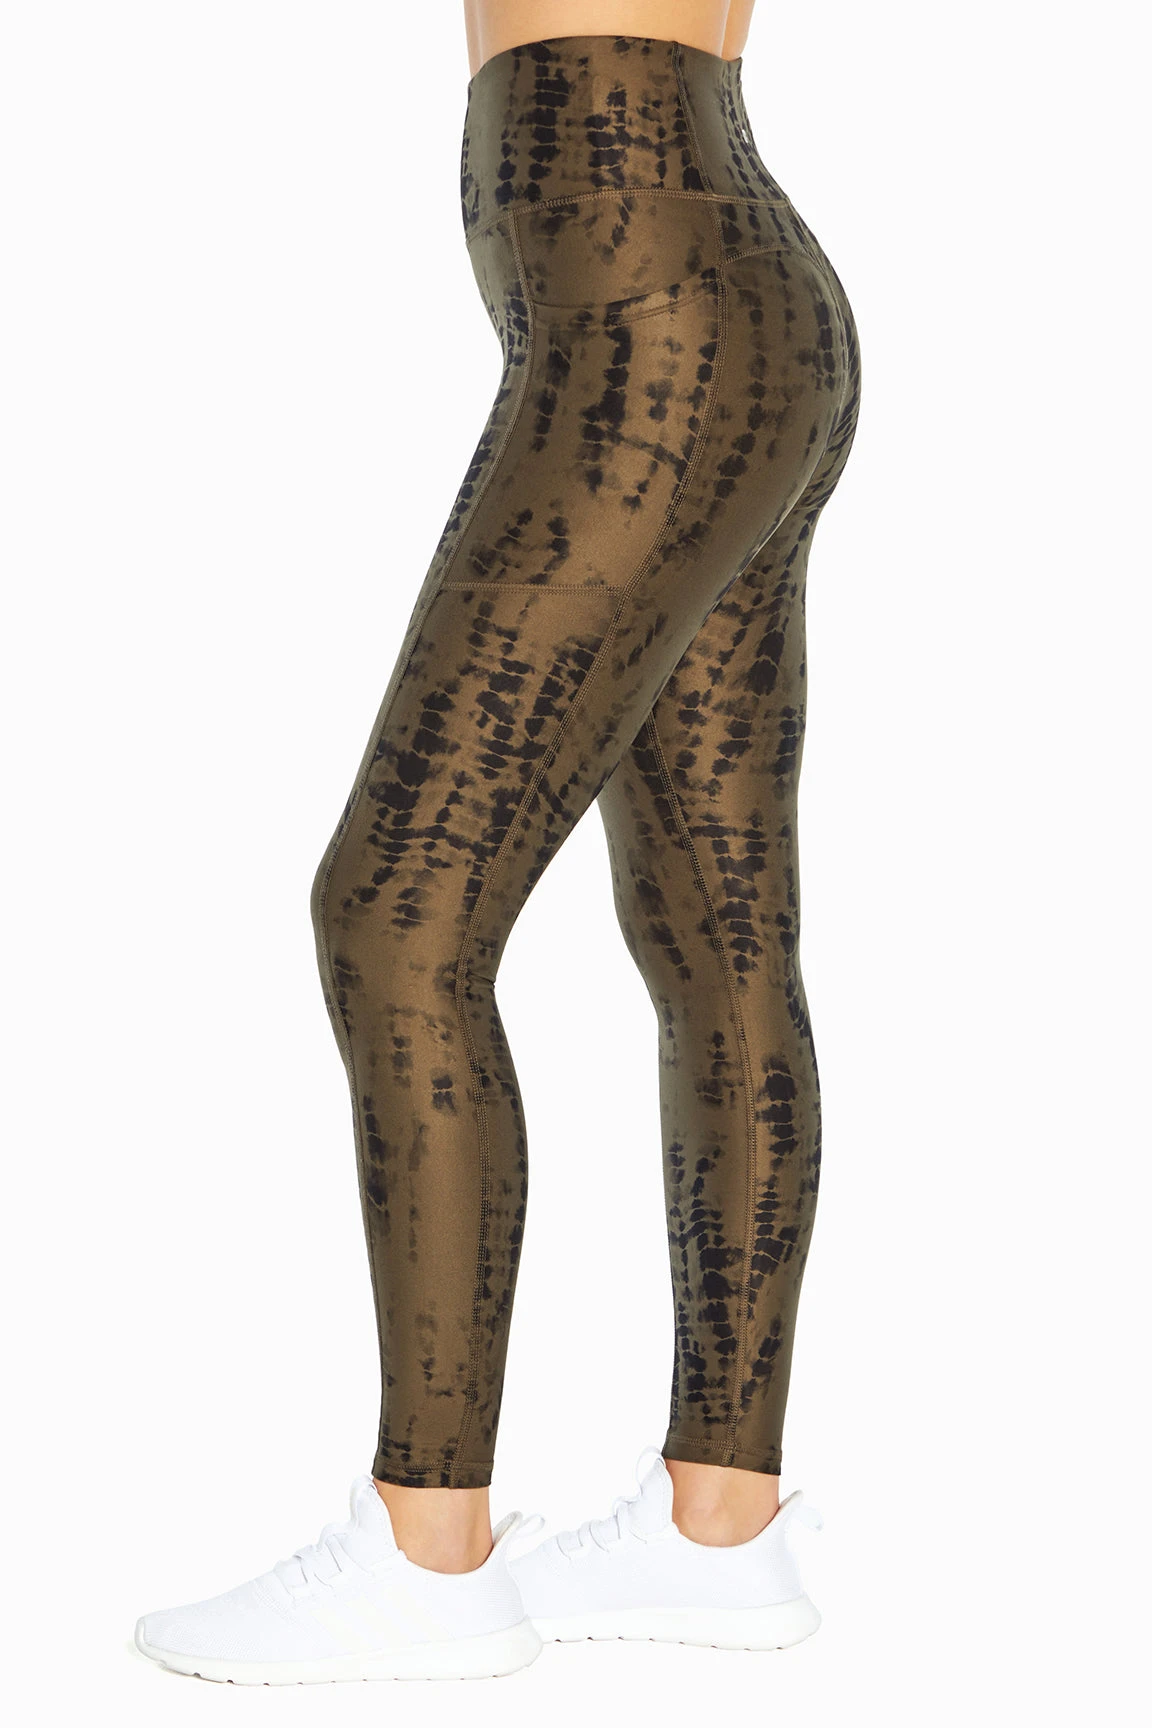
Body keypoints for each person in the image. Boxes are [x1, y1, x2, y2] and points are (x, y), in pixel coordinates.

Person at [134, 0, 861, 1683]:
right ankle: (719, 1526)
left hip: (643, 310)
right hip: (729, 285)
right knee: (719, 941)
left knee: (398, 916)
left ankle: (424, 1548)